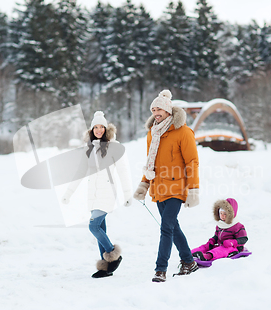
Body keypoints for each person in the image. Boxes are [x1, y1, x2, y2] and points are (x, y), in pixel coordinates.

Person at [133, 89, 200, 283]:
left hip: (177, 188)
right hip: (159, 189)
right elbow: (149, 162)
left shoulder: (183, 132)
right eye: (153, 109)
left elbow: (192, 162)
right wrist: (144, 184)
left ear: (168, 110)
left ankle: (160, 269)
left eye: (159, 109)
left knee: (166, 228)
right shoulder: (152, 134)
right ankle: (188, 261)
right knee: (173, 227)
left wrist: (193, 189)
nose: (156, 112)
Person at [62, 111, 132, 278]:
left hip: (107, 194)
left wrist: (127, 194)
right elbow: (79, 172)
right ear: (92, 129)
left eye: (102, 127)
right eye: (96, 127)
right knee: (100, 228)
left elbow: (123, 171)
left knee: (93, 226)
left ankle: (113, 255)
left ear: (106, 129)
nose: (99, 130)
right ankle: (105, 268)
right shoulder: (90, 149)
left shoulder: (114, 147)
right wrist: (68, 193)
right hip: (93, 196)